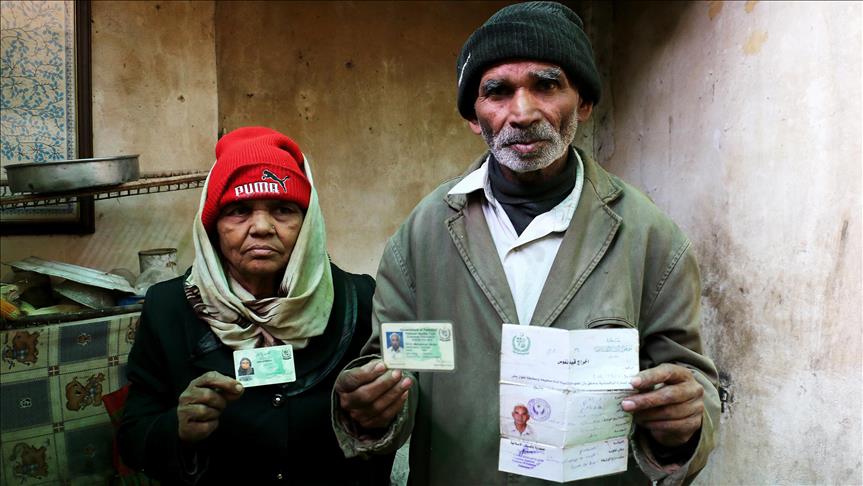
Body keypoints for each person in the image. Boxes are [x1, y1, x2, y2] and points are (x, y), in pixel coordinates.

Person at [333, 2, 719, 485]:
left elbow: (690, 382)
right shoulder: (421, 236)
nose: (522, 112)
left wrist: (685, 421)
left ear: (583, 102)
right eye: (497, 91)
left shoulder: (651, 239)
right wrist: (369, 410)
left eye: (547, 85)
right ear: (474, 116)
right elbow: (392, 375)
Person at [119, 127, 394, 484]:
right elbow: (132, 438)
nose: (261, 227)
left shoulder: (355, 300)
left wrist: (380, 414)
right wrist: (177, 429)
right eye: (239, 210)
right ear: (212, 226)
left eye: (283, 209)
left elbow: (391, 422)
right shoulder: (169, 307)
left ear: (307, 223)